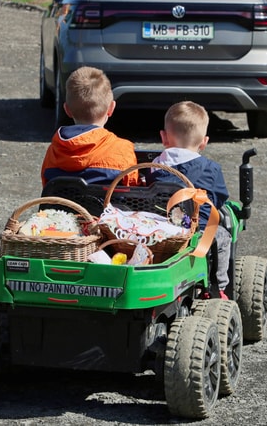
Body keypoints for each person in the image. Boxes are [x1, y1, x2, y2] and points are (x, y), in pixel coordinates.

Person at [147, 101, 231, 298]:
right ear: (204, 142)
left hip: (162, 227)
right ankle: (217, 286)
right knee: (222, 236)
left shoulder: (154, 167)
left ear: (163, 137)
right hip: (198, 232)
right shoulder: (211, 169)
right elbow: (219, 198)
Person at [40, 66, 139, 187]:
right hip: (107, 205)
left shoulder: (54, 151)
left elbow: (47, 187)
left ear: (67, 110)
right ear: (111, 108)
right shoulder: (122, 150)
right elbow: (132, 189)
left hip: (63, 206)